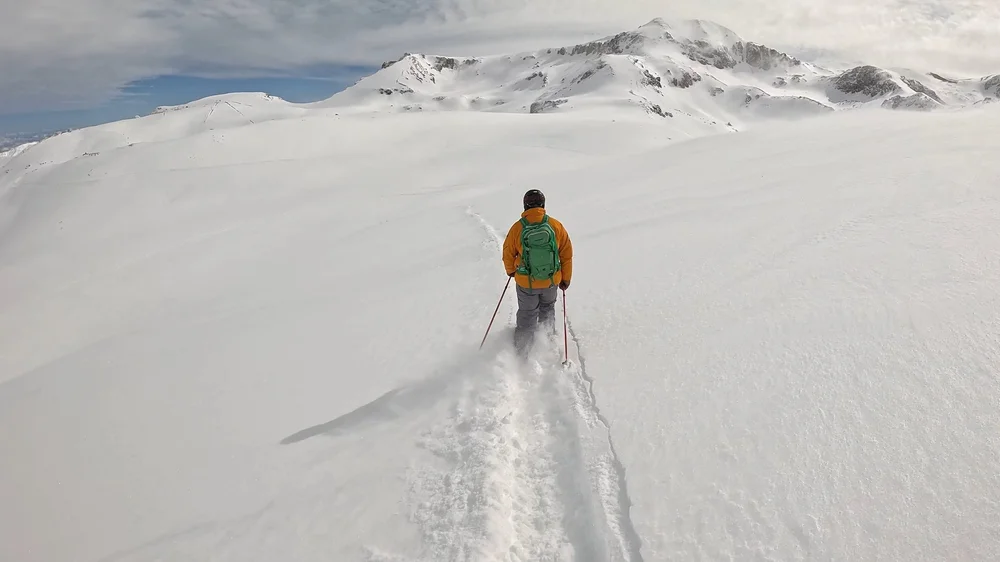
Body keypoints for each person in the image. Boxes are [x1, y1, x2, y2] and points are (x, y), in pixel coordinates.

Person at [502, 189, 573, 356]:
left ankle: (522, 352)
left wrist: (511, 271)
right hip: (551, 281)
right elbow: (566, 254)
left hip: (526, 283)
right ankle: (547, 344)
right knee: (547, 309)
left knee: (527, 314)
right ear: (543, 204)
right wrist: (565, 279)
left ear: (525, 206)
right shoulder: (555, 225)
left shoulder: (517, 228)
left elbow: (508, 253)